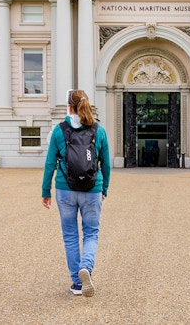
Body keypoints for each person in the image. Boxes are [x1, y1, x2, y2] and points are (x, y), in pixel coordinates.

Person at [41, 89, 111, 297]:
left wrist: (46, 191)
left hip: (65, 189)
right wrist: (104, 187)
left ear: (68, 106)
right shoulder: (99, 130)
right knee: (91, 233)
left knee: (70, 235)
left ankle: (77, 283)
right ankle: (86, 267)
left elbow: (50, 163)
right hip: (92, 189)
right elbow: (105, 164)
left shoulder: (59, 130)